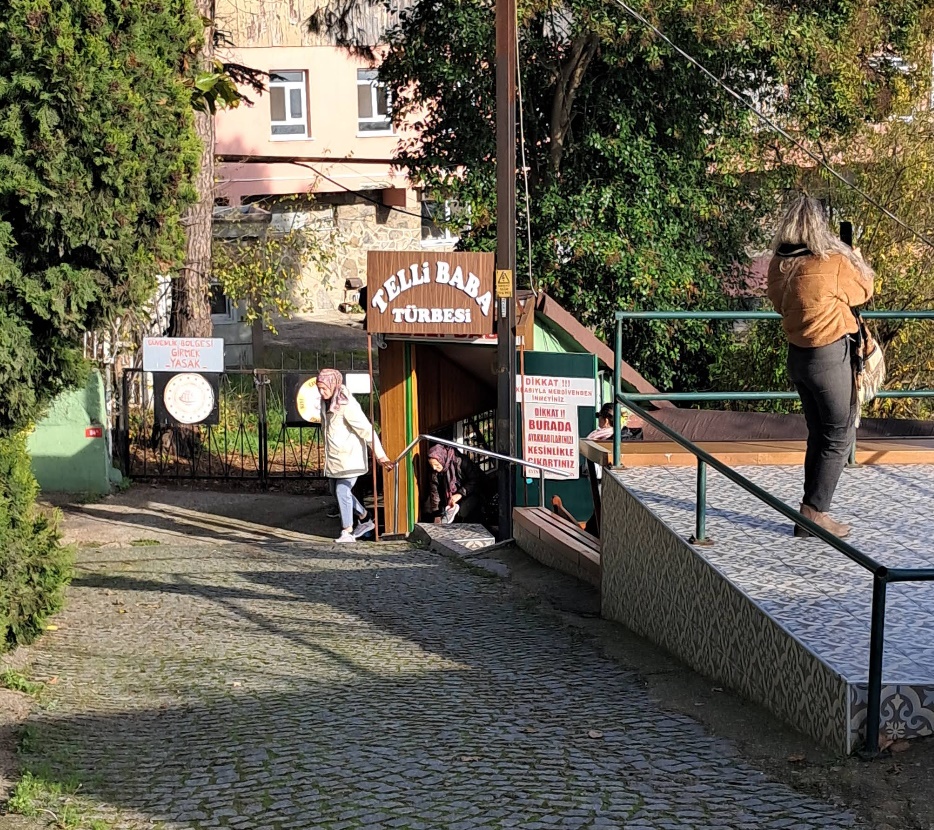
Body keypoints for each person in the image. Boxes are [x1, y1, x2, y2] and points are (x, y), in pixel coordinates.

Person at [766, 196, 874, 538]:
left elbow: (778, 305)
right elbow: (864, 291)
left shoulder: (778, 265)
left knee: (819, 433)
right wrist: (855, 258)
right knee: (840, 434)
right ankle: (816, 513)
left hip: (798, 357)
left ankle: (808, 510)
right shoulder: (832, 263)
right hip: (829, 357)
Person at [317, 369, 392, 543]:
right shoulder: (325, 402)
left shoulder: (347, 404)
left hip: (349, 458)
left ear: (333, 384)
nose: (322, 392)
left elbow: (366, 429)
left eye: (324, 388)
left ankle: (347, 531)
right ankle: (365, 519)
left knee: (342, 490)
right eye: (319, 388)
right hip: (334, 459)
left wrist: (381, 456)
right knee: (336, 492)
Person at [426, 443, 483, 524]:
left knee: (463, 512)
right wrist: (436, 515)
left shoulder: (461, 461)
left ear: (442, 459)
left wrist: (459, 494)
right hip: (450, 500)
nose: (434, 468)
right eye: (432, 465)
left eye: (436, 464)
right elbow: (434, 492)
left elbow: (475, 480)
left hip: (469, 494)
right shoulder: (434, 472)